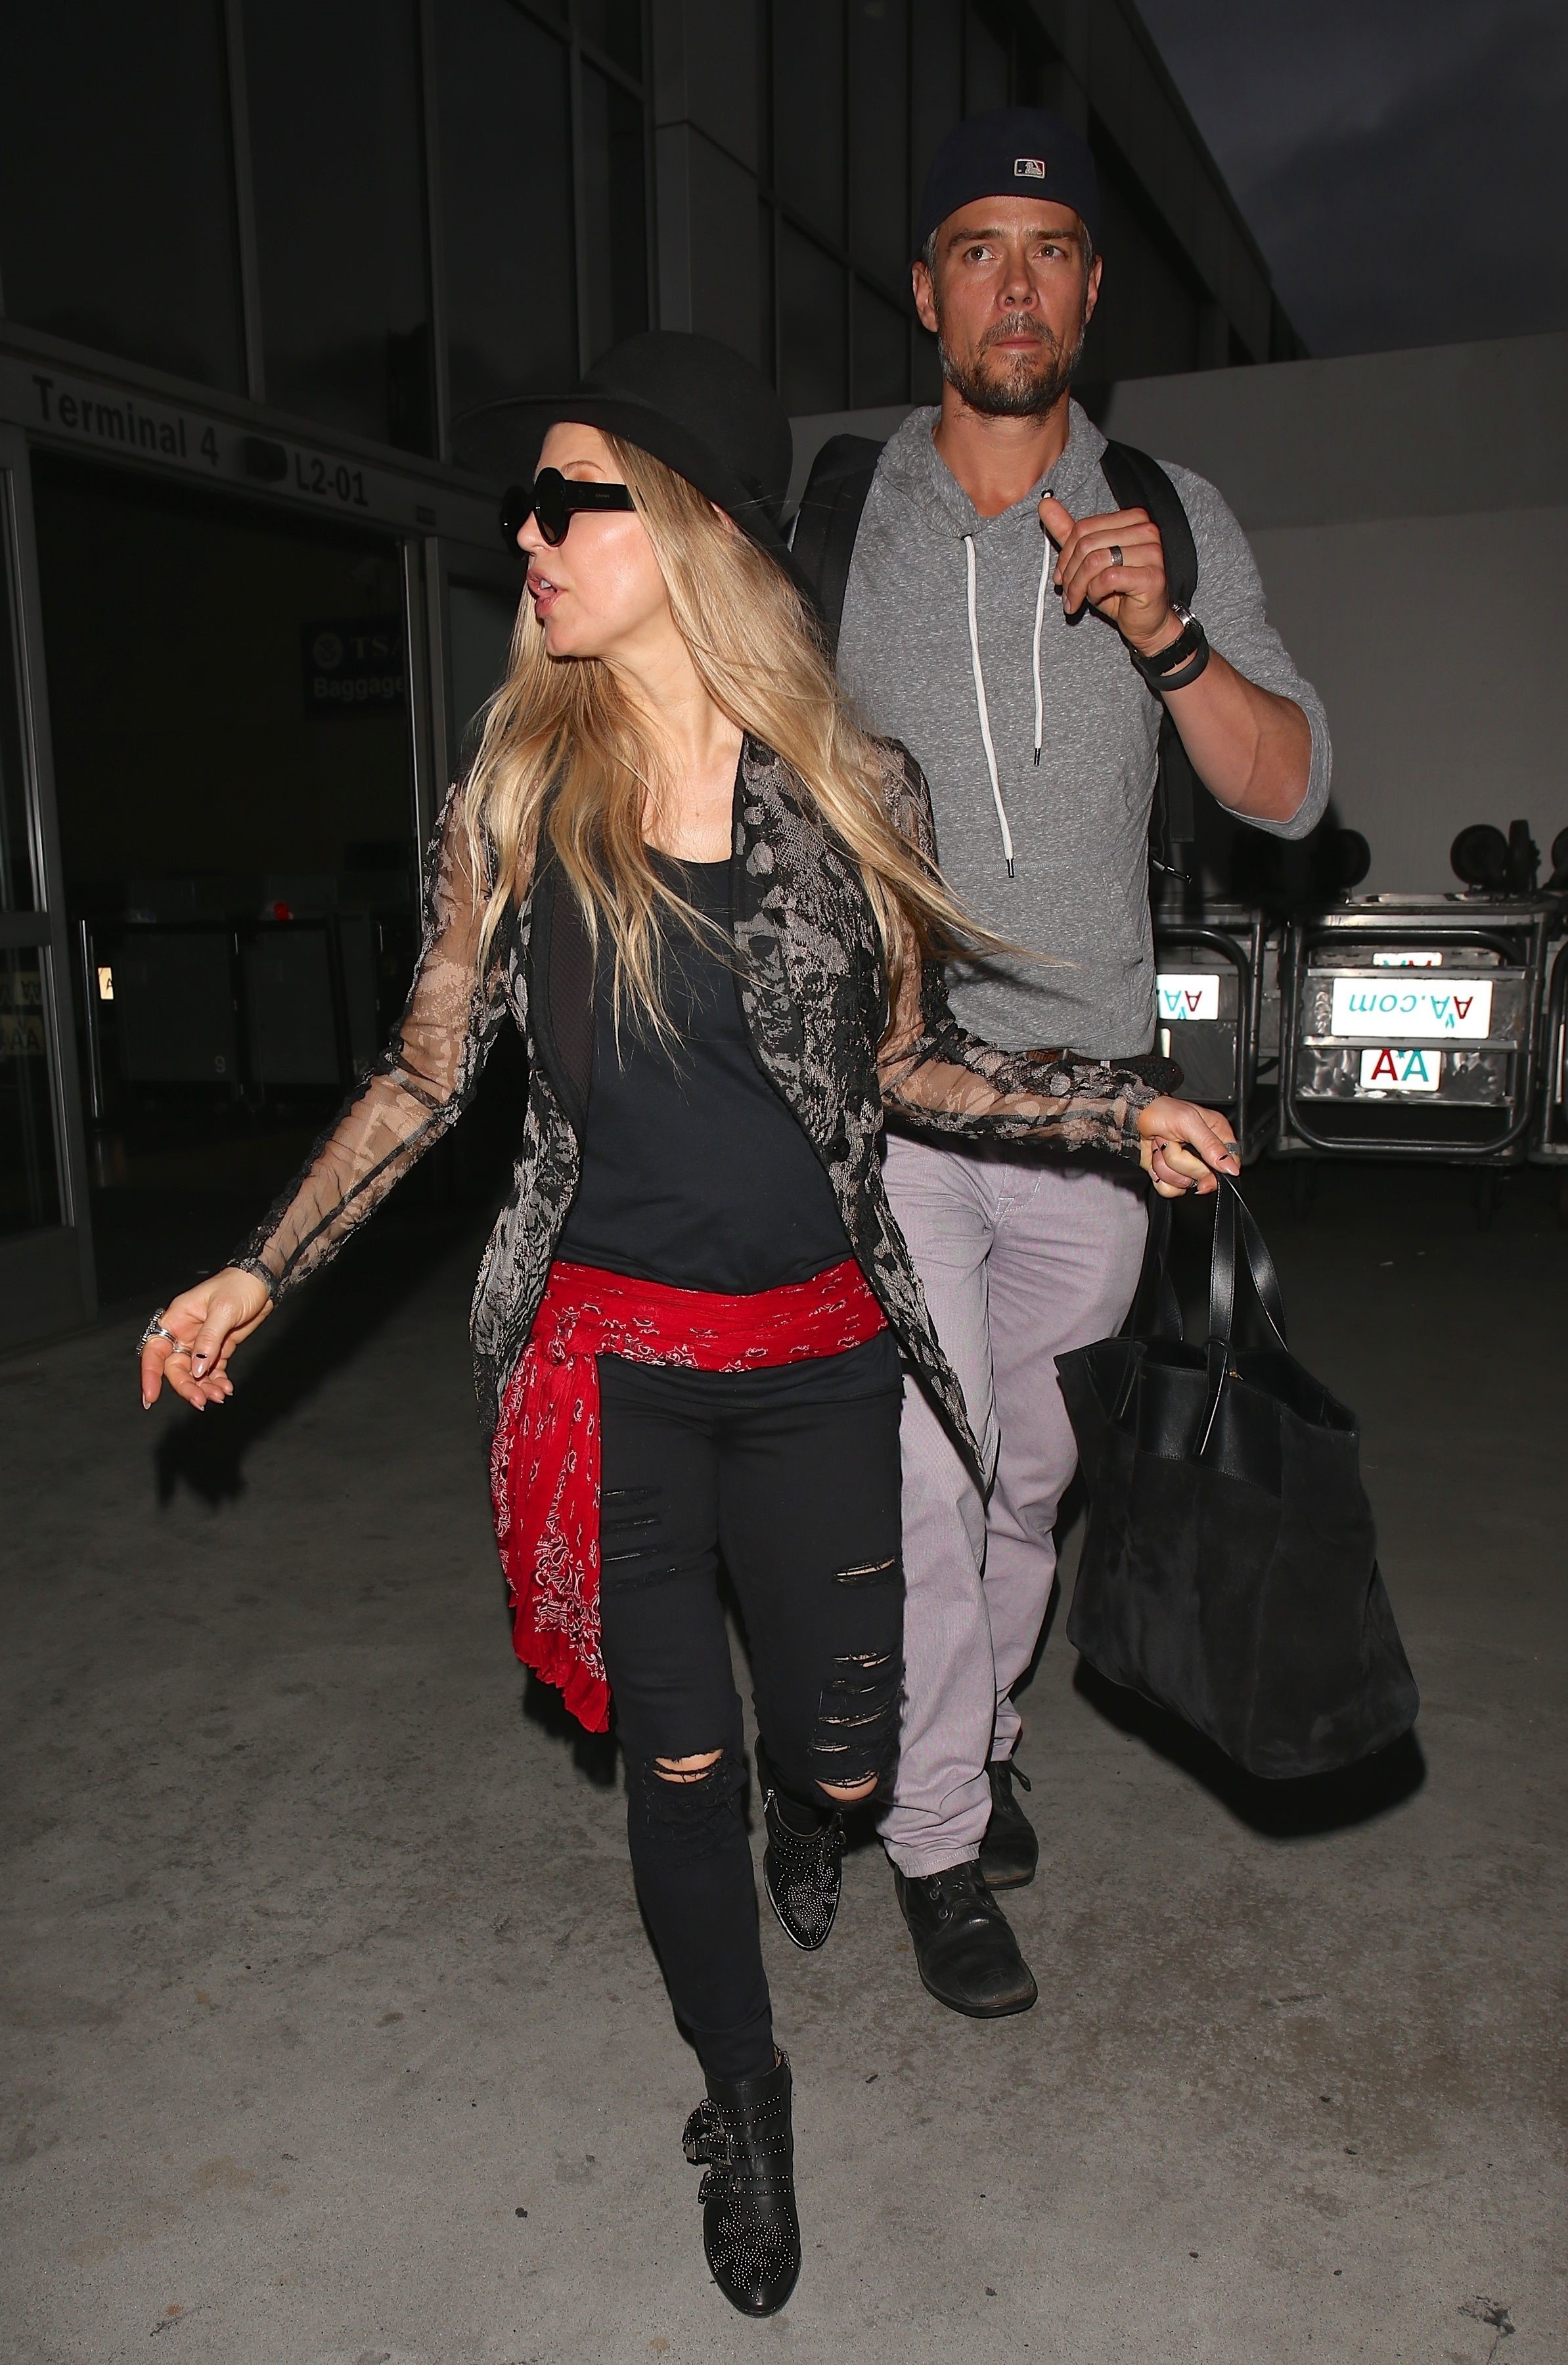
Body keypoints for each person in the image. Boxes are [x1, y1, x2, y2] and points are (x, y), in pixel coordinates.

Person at [135, 332, 1239, 2318]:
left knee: (841, 1756)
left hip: (818, 1358)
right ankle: (744, 2093)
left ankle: (825, 1811)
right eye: (527, 508)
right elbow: (424, 1076)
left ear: (696, 529)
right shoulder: (513, 796)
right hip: (611, 1369)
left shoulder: (854, 791)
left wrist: (1110, 1110)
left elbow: (907, 1067)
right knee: (676, 1767)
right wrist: (257, 1270)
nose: (530, 536)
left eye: (574, 500)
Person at [809, 108, 1332, 2018]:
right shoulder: (841, 520)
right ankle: (935, 1838)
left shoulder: (1169, 513)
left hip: (1102, 1109)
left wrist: (1166, 634)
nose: (1012, 286)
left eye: (1047, 252)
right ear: (925, 289)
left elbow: (1292, 789)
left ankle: (976, 1735)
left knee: (1032, 1475)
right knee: (929, 1477)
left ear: (1091, 292)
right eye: (977, 249)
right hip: (903, 1094)